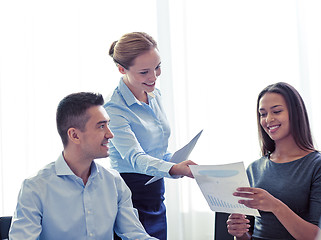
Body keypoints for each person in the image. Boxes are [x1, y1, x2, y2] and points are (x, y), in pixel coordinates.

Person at [9, 92, 157, 240]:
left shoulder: (114, 182)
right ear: (74, 135)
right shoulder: (35, 187)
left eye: (108, 125)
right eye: (101, 126)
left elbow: (135, 235)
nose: (110, 134)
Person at [105, 32, 196, 240]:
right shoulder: (113, 108)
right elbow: (134, 157)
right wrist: (173, 168)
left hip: (155, 190)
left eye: (157, 67)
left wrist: (176, 161)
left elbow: (157, 151)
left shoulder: (154, 94)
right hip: (130, 194)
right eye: (144, 72)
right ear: (121, 69)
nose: (154, 76)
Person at [226, 82, 321, 240]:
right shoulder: (254, 168)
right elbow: (248, 235)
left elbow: (317, 237)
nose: (268, 119)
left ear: (295, 113)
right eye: (263, 114)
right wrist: (240, 233)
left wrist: (275, 206)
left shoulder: (318, 165)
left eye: (276, 111)